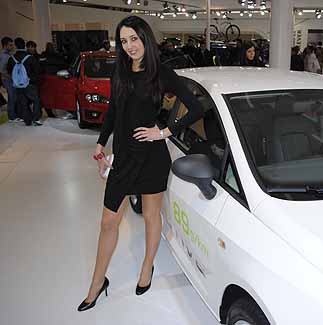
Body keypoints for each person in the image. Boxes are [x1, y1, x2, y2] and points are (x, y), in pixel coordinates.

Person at [77, 15, 203, 312]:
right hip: (122, 158)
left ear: (145, 38)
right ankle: (97, 283)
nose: (130, 46)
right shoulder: (119, 72)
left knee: (150, 216)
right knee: (108, 222)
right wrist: (100, 143)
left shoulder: (162, 74)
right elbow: (113, 112)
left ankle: (147, 266)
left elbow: (197, 107)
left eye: (134, 39)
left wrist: (164, 132)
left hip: (151, 157)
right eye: (123, 41)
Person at [7, 37, 42, 126]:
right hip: (30, 84)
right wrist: (32, 80)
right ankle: (36, 119)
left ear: (16, 46)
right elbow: (37, 71)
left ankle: (27, 120)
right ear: (24, 45)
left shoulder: (12, 59)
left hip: (18, 85)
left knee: (23, 103)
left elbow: (9, 71)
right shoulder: (30, 58)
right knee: (36, 100)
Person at [0, 36, 21, 122]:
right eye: (10, 45)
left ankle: (14, 115)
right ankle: (12, 117)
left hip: (8, 79)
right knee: (12, 97)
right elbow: (1, 70)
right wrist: (12, 77)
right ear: (5, 45)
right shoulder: (4, 56)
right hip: (7, 79)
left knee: (14, 96)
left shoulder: (7, 54)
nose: (12, 46)